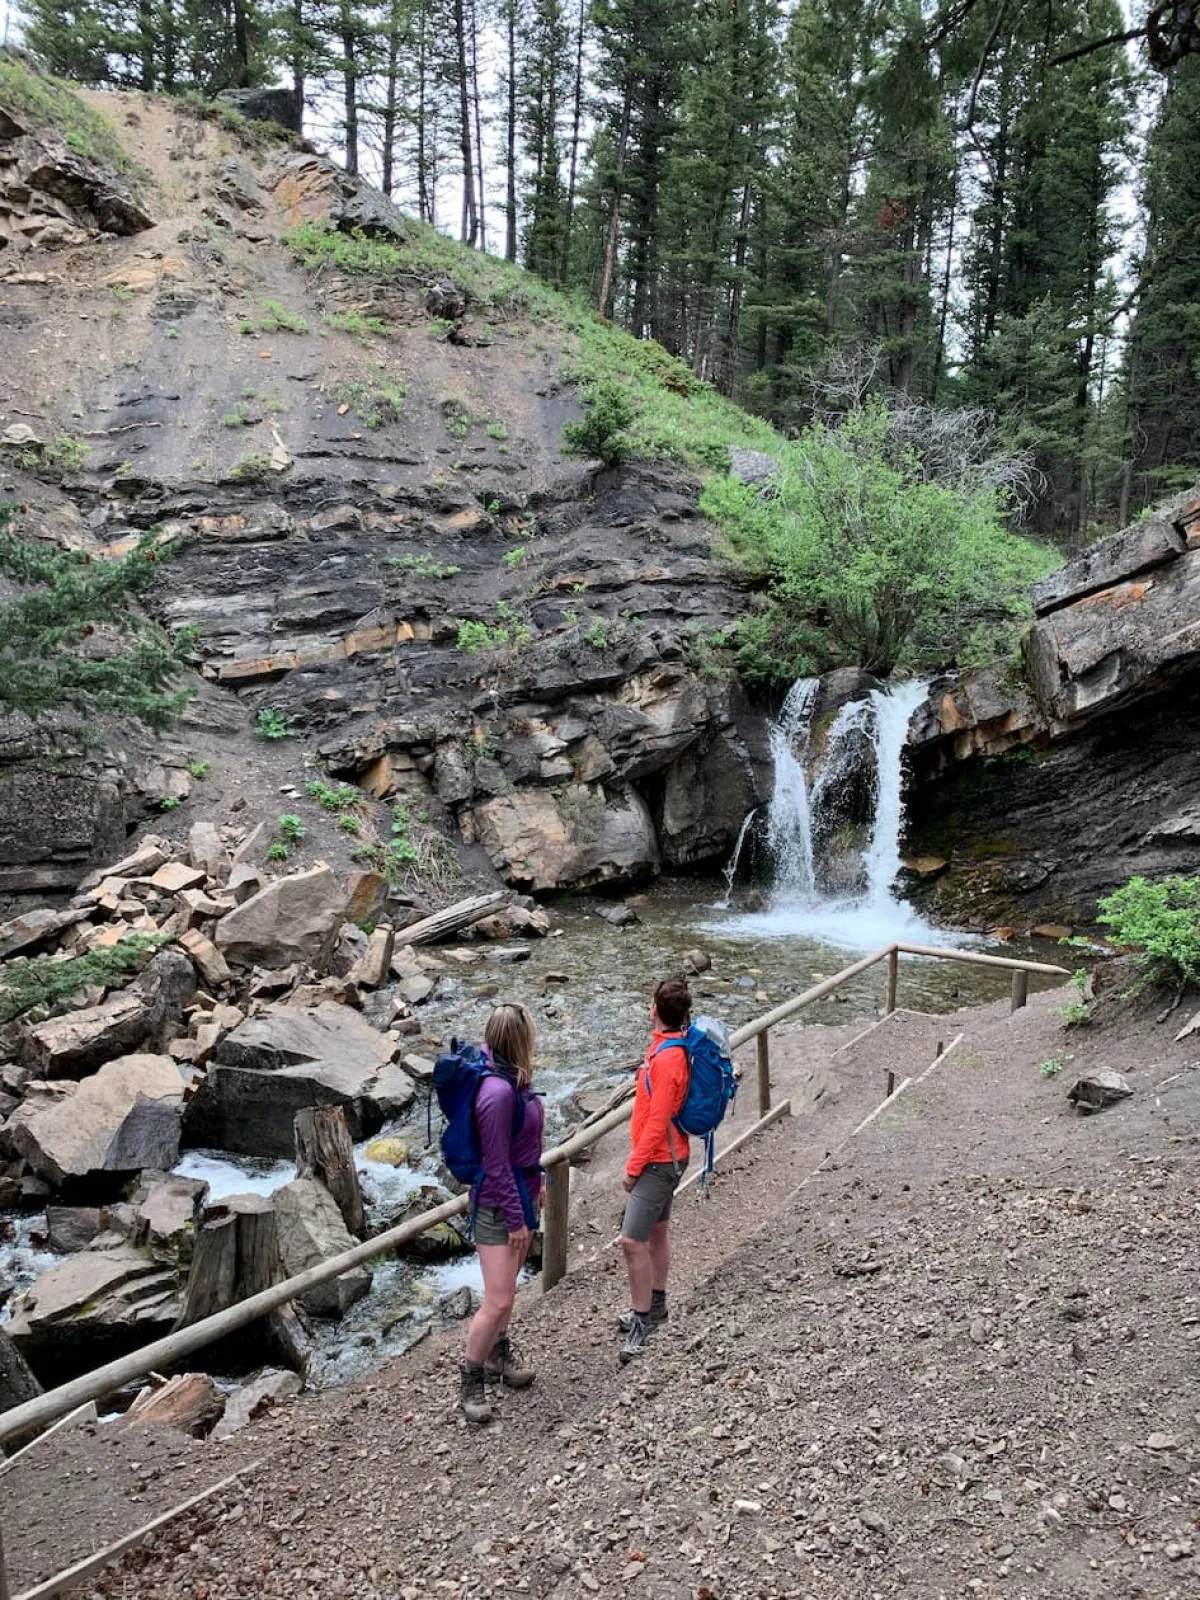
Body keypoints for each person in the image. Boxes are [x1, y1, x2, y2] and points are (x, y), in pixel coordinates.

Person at [459, 1002, 545, 1425]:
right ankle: (470, 1378)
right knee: (497, 1299)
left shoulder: (516, 1080)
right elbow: (495, 1165)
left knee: (507, 1291)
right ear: (518, 1040)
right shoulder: (496, 1094)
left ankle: (497, 1354)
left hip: (521, 1199)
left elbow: (524, 1147)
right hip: (498, 1207)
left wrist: (538, 1187)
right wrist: (515, 1219)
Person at [618, 974, 692, 1363]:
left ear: (655, 1011)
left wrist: (632, 1168)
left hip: (660, 1161)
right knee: (657, 1233)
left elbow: (657, 1120)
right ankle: (656, 1304)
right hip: (668, 1156)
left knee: (632, 1242)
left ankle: (641, 1318)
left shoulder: (667, 1059)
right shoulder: (667, 1048)